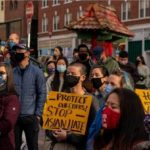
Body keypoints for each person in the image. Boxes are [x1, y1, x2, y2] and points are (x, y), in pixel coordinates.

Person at [45, 62, 96, 150]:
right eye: (68, 73)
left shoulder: (91, 100)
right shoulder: (60, 98)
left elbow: (93, 130)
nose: (69, 76)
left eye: (73, 74)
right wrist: (53, 132)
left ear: (83, 77)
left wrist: (68, 137)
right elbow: (48, 126)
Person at [87, 69, 134, 150]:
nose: (108, 87)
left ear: (124, 87)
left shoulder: (132, 113)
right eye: (107, 83)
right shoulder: (103, 109)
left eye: (112, 84)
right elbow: (93, 132)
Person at [13, 44, 46, 150]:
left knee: (33, 146)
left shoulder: (37, 72)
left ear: (27, 53)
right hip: (15, 117)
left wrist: (37, 114)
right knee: (14, 146)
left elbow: (42, 93)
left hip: (31, 117)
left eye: (20, 50)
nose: (18, 52)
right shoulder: (12, 72)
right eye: (16, 50)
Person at [0, 62, 20, 150]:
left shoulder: (12, 98)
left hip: (5, 143)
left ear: (8, 75)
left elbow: (8, 123)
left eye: (2, 73)